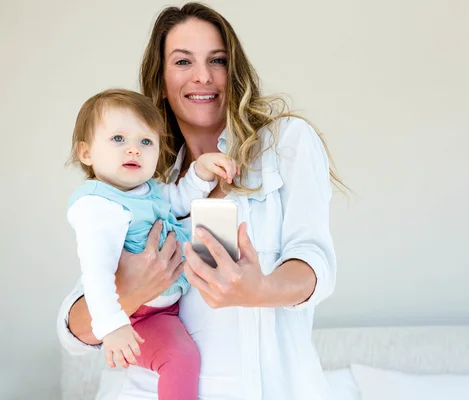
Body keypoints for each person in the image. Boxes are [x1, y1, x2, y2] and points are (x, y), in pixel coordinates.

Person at [57, 2, 342, 399]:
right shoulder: (141, 178)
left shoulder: (286, 143)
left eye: (218, 60)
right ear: (161, 80)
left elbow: (315, 262)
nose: (203, 76)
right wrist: (131, 293)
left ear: (234, 70)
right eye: (182, 61)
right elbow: (75, 328)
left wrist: (260, 288)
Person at [66, 88, 238, 399]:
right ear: (86, 152)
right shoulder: (97, 205)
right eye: (118, 139)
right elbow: (97, 273)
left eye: (146, 142)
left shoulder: (148, 190)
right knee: (180, 358)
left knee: (186, 356)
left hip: (163, 312)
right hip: (133, 315)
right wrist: (111, 325)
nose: (134, 150)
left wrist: (201, 170)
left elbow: (179, 200)